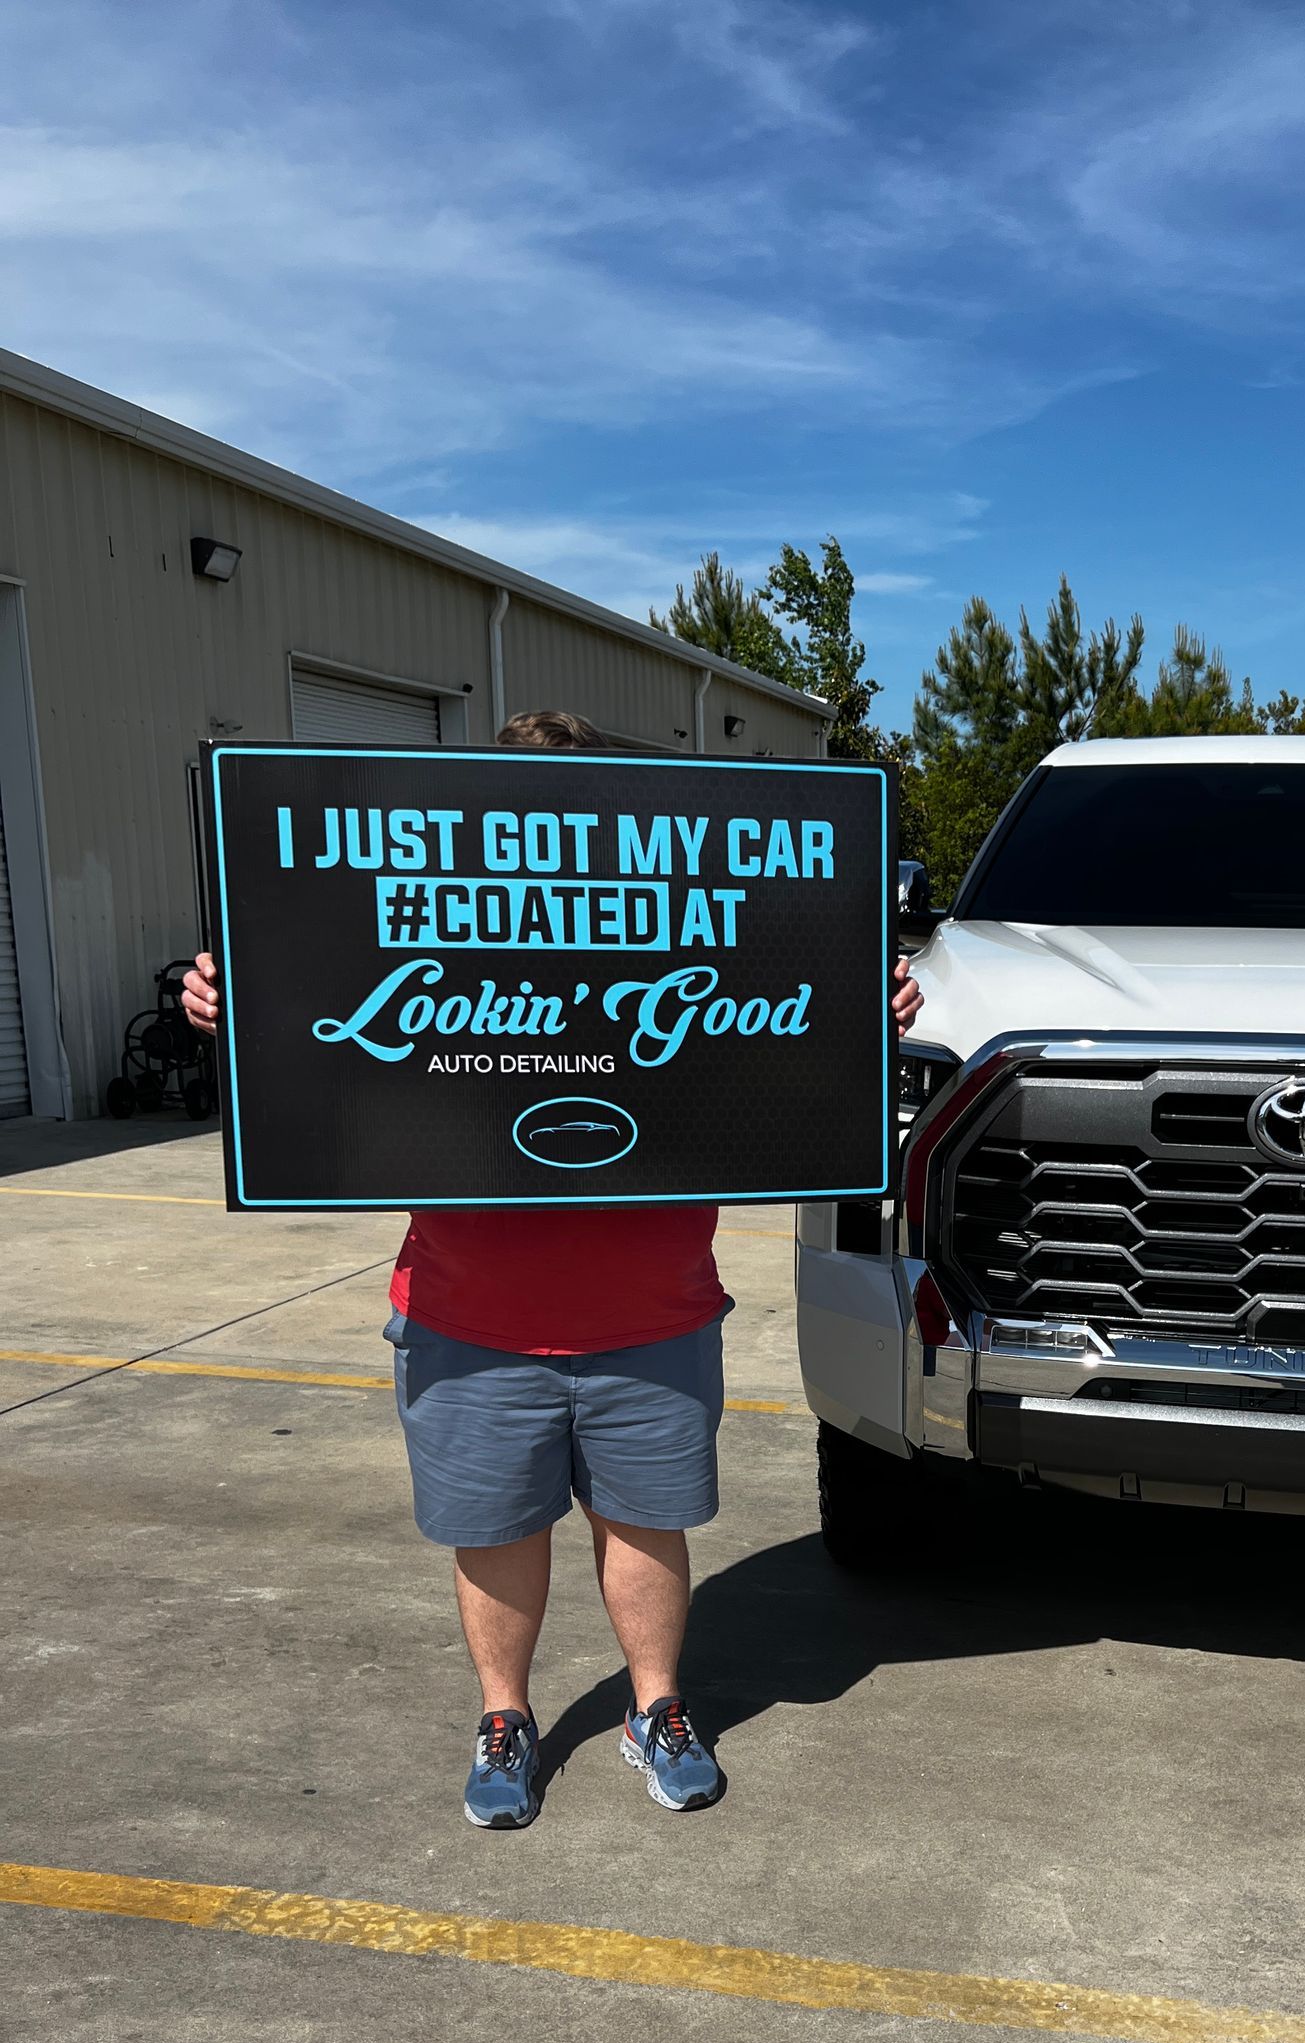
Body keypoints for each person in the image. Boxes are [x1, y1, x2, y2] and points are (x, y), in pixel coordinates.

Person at [183, 708, 923, 1831]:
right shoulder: (432, 911)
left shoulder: (689, 911)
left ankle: (657, 1710)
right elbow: (315, 1017)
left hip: (654, 1310)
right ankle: (505, 1717)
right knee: (495, 1533)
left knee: (647, 1526)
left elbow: (793, 1042)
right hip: (468, 1312)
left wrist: (859, 1018)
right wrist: (235, 1008)